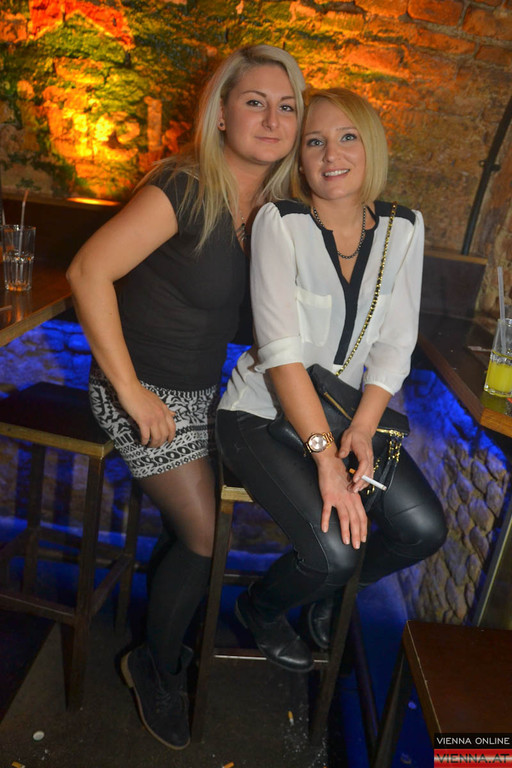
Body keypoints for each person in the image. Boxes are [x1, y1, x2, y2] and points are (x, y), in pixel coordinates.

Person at [66, 45, 305, 749]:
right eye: (255, 102)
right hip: (136, 391)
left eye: (286, 106)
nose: (272, 118)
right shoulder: (184, 187)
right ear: (222, 114)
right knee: (205, 535)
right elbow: (87, 272)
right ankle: (155, 664)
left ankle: (165, 633)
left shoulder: (268, 211)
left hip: (201, 395)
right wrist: (131, 391)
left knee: (202, 528)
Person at [216, 87, 447, 673]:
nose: (331, 154)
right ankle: (259, 608)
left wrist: (362, 430)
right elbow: (280, 354)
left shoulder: (405, 228)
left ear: (371, 148)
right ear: (300, 159)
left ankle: (328, 597)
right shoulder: (280, 222)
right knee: (334, 554)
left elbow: (395, 343)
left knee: (423, 528)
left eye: (347, 137)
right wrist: (326, 459)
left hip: (346, 413)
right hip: (259, 414)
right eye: (314, 141)